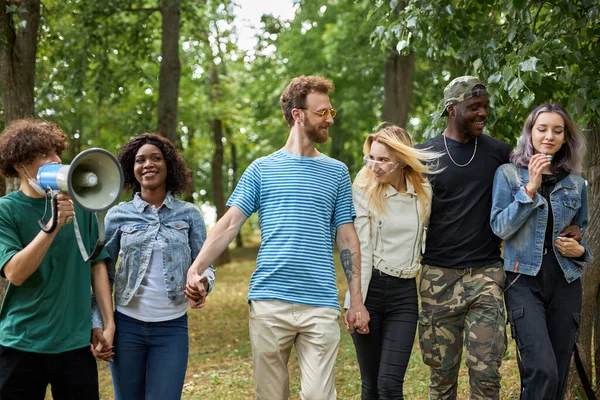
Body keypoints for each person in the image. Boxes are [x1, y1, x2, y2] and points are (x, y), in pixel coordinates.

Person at [186, 75, 369, 400]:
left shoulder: (337, 172)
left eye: (331, 112)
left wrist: (356, 300)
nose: (329, 119)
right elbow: (229, 224)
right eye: (322, 113)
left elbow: (347, 238)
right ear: (298, 115)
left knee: (319, 396)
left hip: (320, 304)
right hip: (270, 302)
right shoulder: (261, 169)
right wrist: (196, 269)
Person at [94, 133, 215, 400]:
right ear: (131, 169)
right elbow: (101, 272)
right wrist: (100, 323)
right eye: (140, 160)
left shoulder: (190, 214)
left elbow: (205, 266)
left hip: (171, 329)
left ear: (168, 165)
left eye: (156, 158)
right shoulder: (118, 215)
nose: (148, 164)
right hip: (127, 327)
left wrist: (203, 283)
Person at [0, 119, 114, 399]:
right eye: (43, 155)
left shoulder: (82, 206)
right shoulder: (6, 211)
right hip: (21, 344)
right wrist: (52, 226)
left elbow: (96, 265)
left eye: (56, 153)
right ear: (20, 164)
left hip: (74, 345)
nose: (55, 160)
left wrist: (107, 323)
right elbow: (15, 272)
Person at [415, 76, 512, 400]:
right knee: (442, 379)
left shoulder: (499, 152)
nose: (482, 113)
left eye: (485, 107)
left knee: (486, 375)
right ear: (452, 109)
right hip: (437, 279)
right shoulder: (423, 155)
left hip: (485, 274)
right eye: (474, 107)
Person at [490, 103, 592, 399]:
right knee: (542, 370)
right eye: (542, 129)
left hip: (565, 282)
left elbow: (579, 232)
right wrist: (530, 189)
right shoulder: (508, 174)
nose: (549, 136)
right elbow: (499, 227)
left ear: (565, 137)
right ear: (530, 133)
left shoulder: (575, 183)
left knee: (557, 376)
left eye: (557, 130)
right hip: (523, 280)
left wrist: (579, 249)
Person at [345, 124, 439, 399]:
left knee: (390, 383)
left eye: (382, 159)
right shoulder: (363, 190)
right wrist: (356, 302)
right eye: (371, 157)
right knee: (371, 386)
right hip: (370, 289)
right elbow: (358, 248)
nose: (374, 165)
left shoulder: (423, 192)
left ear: (401, 160)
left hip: (404, 295)